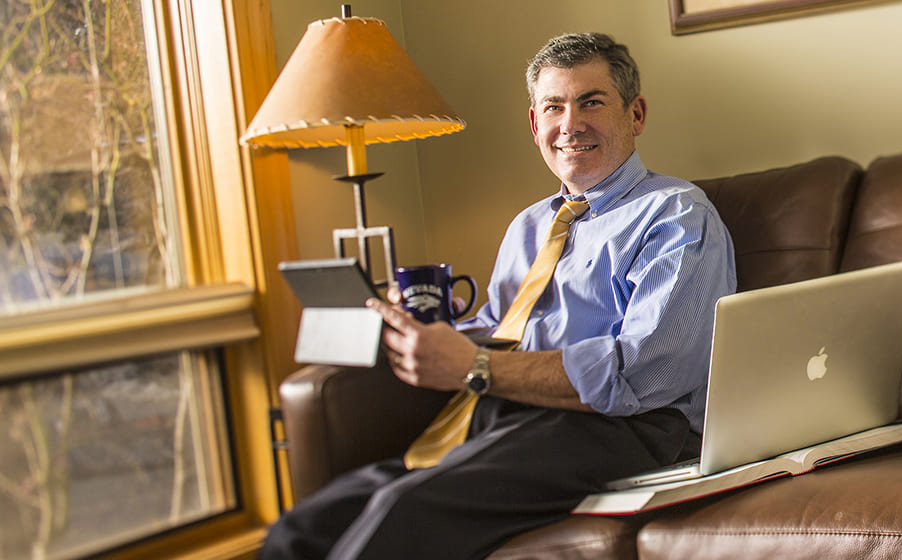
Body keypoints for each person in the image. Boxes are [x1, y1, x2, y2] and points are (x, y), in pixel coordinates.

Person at [259, 32, 735, 559]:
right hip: (513, 411)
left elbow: (646, 375)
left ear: (636, 114)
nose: (570, 124)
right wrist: (420, 332)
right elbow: (501, 326)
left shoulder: (677, 215)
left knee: (404, 514)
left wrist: (475, 367)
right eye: (553, 107)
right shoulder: (529, 226)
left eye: (592, 102)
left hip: (626, 427)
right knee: (304, 528)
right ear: (535, 125)